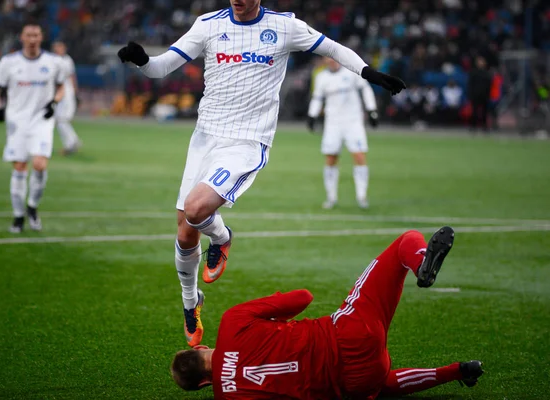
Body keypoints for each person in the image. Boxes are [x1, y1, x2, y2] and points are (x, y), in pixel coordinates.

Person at [117, 0, 406, 347]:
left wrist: (368, 72)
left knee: (195, 210)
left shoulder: (285, 26)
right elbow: (162, 67)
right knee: (184, 233)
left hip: (247, 141)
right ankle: (191, 305)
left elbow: (333, 48)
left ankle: (222, 238)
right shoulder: (208, 25)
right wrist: (143, 59)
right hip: (205, 138)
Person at [170, 226, 484, 399]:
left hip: (353, 384)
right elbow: (303, 298)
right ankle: (421, 263)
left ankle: (458, 371)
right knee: (406, 241)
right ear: (200, 347)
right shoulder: (231, 323)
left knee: (380, 383)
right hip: (349, 333)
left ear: (203, 385)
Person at [0, 22, 66, 233]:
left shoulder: (53, 62)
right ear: (21, 37)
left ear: (41, 38)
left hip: (41, 120)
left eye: (36, 35)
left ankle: (32, 206)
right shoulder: (8, 62)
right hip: (17, 121)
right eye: (28, 35)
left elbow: (61, 88)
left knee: (40, 164)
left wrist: (54, 102)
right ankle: (18, 216)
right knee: (20, 167)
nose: (32, 39)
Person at [307, 57, 378, 210]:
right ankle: (331, 198)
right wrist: (312, 115)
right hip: (333, 123)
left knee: (359, 156)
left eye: (334, 58)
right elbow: (317, 98)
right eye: (328, 58)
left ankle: (362, 196)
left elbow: (365, 89)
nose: (332, 61)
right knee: (331, 158)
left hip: (353, 122)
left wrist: (372, 109)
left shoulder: (352, 72)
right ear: (325, 60)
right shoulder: (321, 77)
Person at [52, 41, 82, 155]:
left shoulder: (67, 60)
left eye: (60, 47)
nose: (58, 49)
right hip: (57, 93)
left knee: (62, 119)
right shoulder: (53, 60)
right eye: (56, 47)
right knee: (60, 119)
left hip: (67, 93)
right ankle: (72, 142)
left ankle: (72, 143)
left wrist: (75, 93)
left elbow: (72, 77)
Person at [468, 56, 492, 132]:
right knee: (474, 111)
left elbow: (489, 85)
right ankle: (473, 127)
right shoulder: (473, 72)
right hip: (475, 95)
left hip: (484, 95)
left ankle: (484, 127)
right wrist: (471, 95)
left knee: (484, 112)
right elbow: (470, 84)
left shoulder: (487, 73)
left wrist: (488, 95)